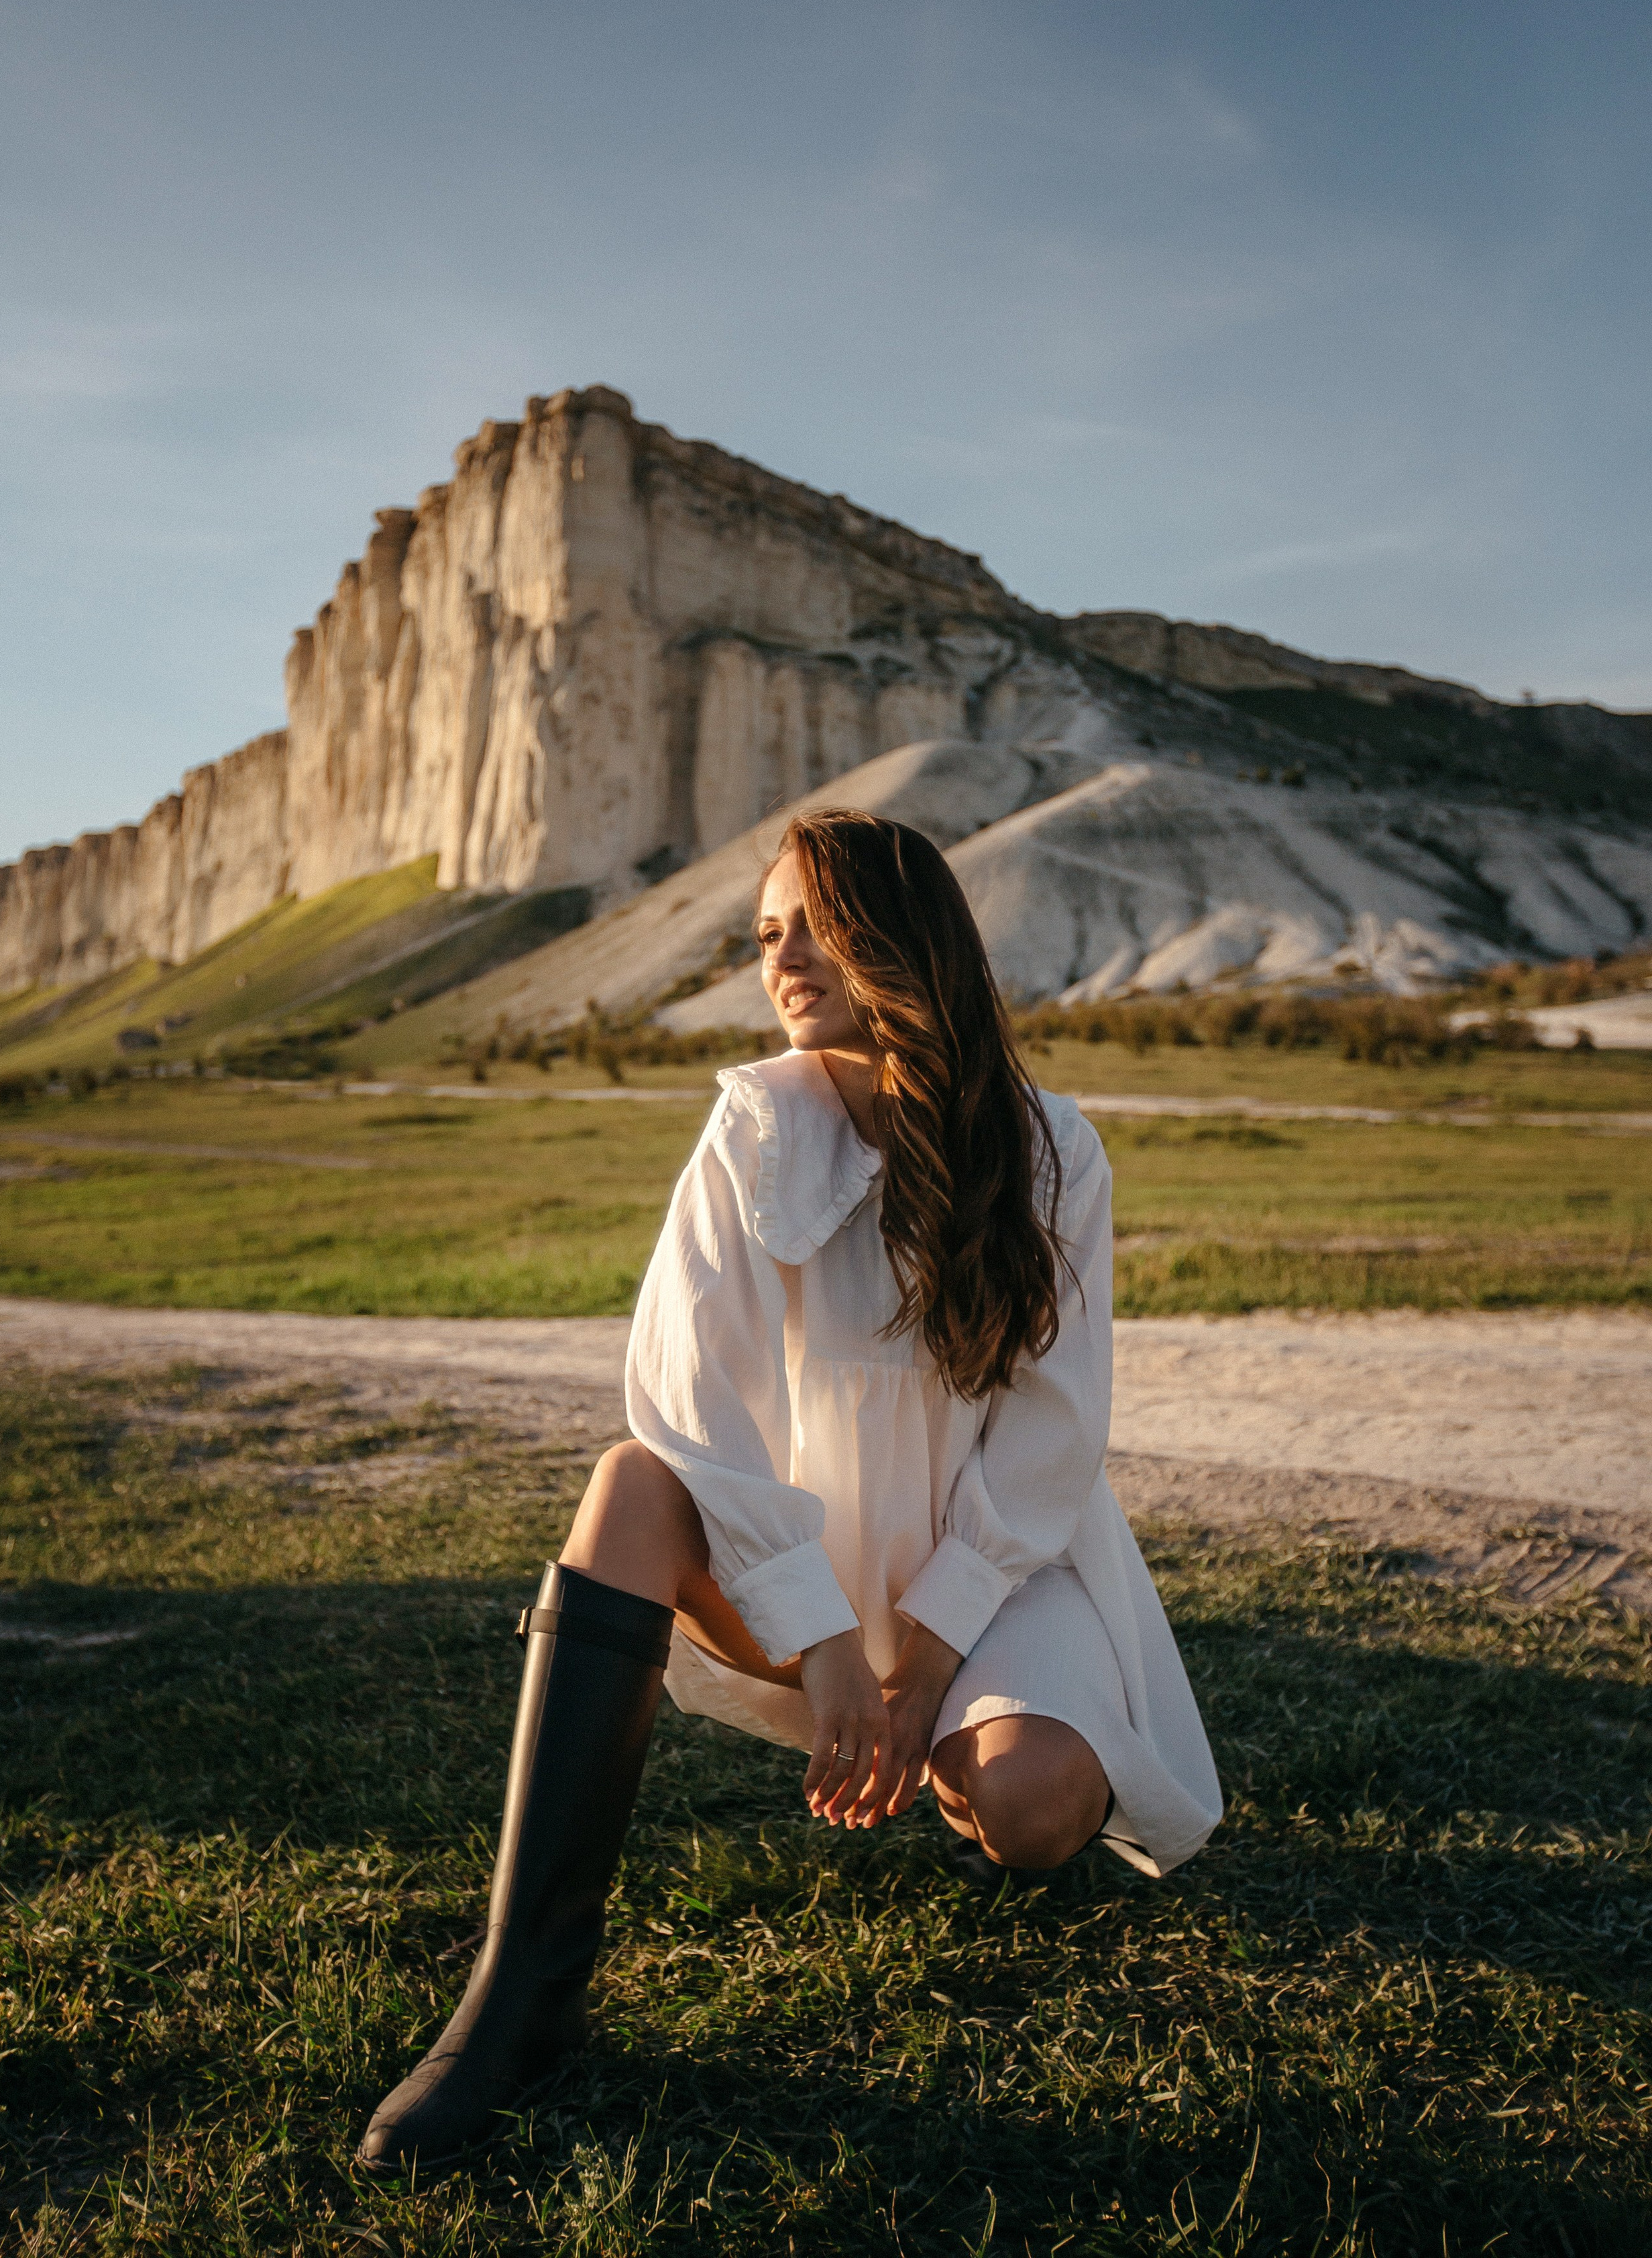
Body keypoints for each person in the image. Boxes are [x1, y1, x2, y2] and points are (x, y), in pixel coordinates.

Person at [357, 811, 1221, 2176]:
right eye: (765, 934)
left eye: (810, 922)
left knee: (1038, 1810)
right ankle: (520, 1998)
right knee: (631, 1479)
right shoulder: (753, 1127)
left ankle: (958, 1767)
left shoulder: (1056, 1151)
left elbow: (1051, 1434)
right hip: (796, 1567)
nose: (782, 958)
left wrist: (923, 1665)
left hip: (987, 1579)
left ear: (902, 932)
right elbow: (685, 1396)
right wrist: (822, 1640)